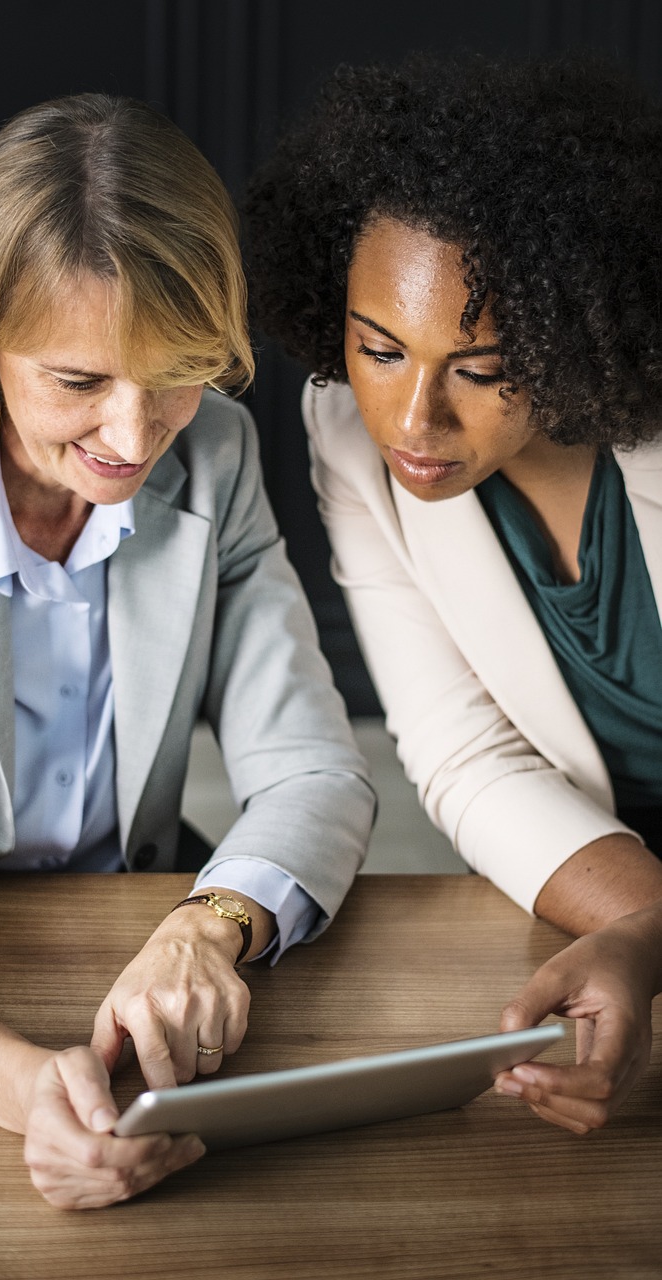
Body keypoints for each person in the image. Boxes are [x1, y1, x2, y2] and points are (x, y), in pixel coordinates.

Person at [0, 94, 374, 1210]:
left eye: (178, 370)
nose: (135, 437)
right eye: (80, 381)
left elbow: (316, 770)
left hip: (137, 932)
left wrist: (210, 924)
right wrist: (19, 1086)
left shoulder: (220, 453)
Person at [244, 51, 662, 1137]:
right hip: (607, 891)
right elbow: (461, 753)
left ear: (574, 334)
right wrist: (643, 926)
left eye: (477, 369)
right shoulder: (347, 432)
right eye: (378, 348)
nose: (410, 420)